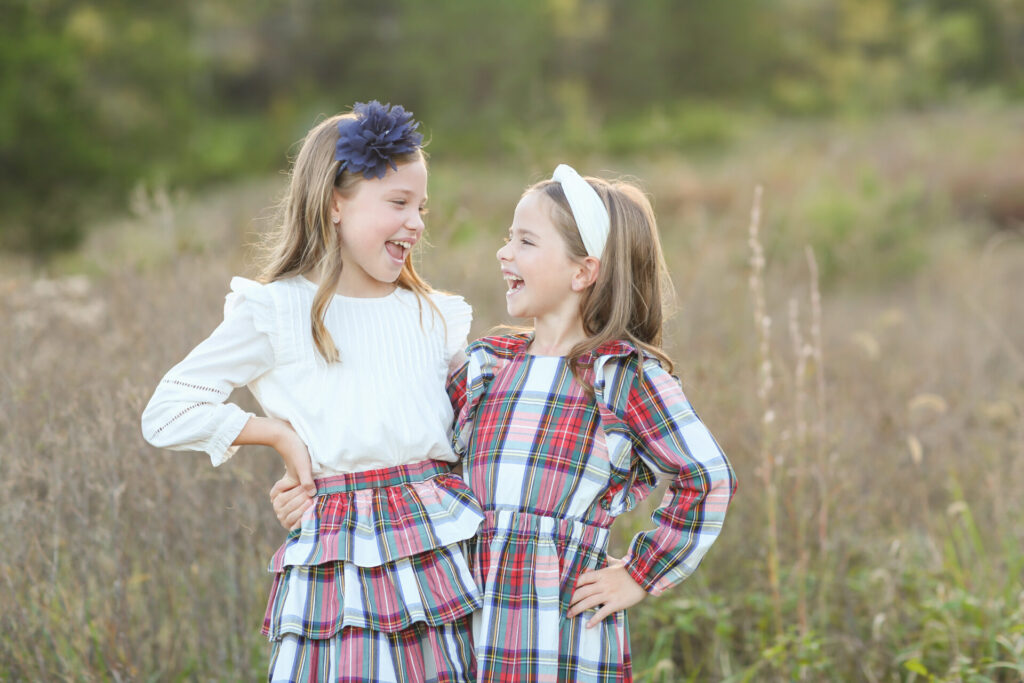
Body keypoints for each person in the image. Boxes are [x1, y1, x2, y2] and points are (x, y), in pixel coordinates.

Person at [272, 163, 737, 682]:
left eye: (526, 242)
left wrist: (639, 574)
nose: (504, 252)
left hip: (556, 629)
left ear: (584, 271)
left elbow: (709, 478)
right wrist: (318, 486)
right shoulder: (485, 365)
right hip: (461, 611)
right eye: (507, 238)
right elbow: (406, 452)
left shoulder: (621, 377)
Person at [141, 101, 483, 683]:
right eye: (397, 203)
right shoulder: (277, 310)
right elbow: (167, 411)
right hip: (339, 552)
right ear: (334, 203)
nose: (418, 223)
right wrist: (275, 434)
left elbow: (471, 434)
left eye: (421, 207)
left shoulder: (433, 315)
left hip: (439, 543)